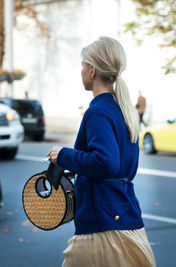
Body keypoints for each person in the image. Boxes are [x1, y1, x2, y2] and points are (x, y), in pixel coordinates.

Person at [46, 37, 156, 267]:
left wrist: (63, 155)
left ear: (92, 70)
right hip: (126, 216)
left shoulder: (97, 112)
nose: (81, 71)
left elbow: (106, 163)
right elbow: (122, 166)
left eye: (82, 65)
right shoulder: (123, 109)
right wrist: (79, 166)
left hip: (100, 223)